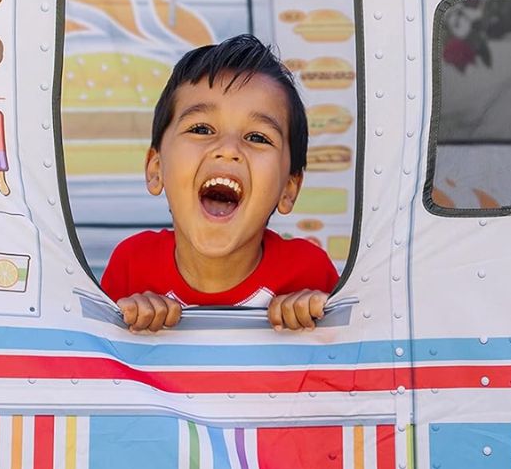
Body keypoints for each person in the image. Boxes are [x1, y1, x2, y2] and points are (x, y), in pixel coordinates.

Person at [100, 35, 338, 332]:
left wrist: (314, 318)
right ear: (156, 168)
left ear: (289, 189)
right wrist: (130, 324)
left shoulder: (309, 272)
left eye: (257, 137)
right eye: (201, 129)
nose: (229, 149)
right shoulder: (132, 266)